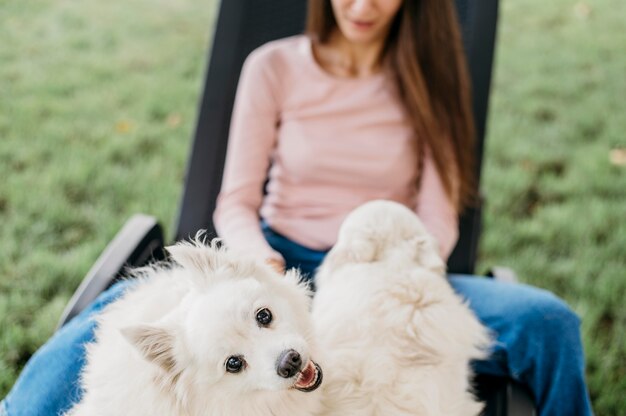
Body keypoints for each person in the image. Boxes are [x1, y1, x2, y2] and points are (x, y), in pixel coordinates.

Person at [1, 1, 593, 415]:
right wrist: (258, 262)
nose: (360, 5)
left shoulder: (432, 82)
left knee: (549, 322)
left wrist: (381, 286)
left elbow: (435, 223)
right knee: (118, 317)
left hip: (383, 270)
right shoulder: (276, 65)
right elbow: (235, 201)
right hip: (275, 262)